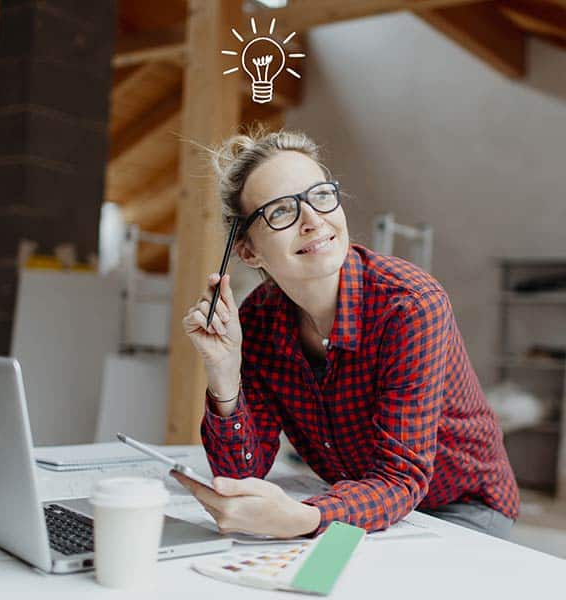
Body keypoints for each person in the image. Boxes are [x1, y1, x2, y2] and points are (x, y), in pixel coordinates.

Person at [175, 128, 519, 540]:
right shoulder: (260, 321)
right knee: (304, 583)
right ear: (249, 250)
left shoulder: (409, 304)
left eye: (320, 195)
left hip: (460, 507)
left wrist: (303, 518)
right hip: (358, 503)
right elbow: (241, 475)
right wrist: (225, 372)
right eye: (281, 211)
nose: (312, 220)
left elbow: (400, 478)